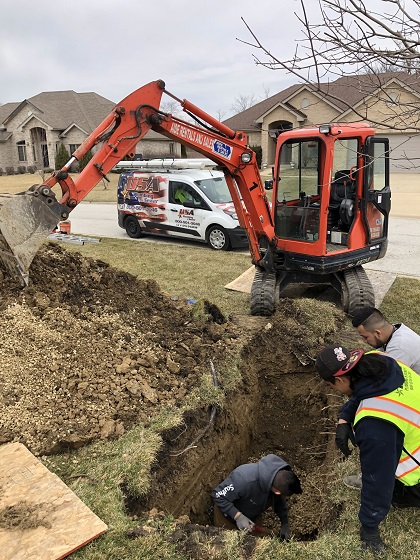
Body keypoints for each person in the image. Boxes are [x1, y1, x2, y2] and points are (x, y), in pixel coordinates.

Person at [316, 344, 420, 555]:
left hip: (416, 479)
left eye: (332, 386)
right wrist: (345, 417)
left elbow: (378, 481)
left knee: (382, 481)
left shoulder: (375, 422)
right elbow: (362, 390)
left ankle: (401, 497)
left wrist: (369, 527)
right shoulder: (380, 360)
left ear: (340, 380)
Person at [335, 307, 420, 458]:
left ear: (378, 333)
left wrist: (346, 416)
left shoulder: (399, 349)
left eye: (365, 337)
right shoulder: (394, 332)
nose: (363, 341)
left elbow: (374, 386)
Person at [211, 454, 302, 540]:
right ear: (277, 492)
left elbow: (279, 503)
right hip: (227, 518)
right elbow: (217, 495)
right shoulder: (243, 479)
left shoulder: (274, 480)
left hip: (251, 515)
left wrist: (285, 524)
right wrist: (238, 516)